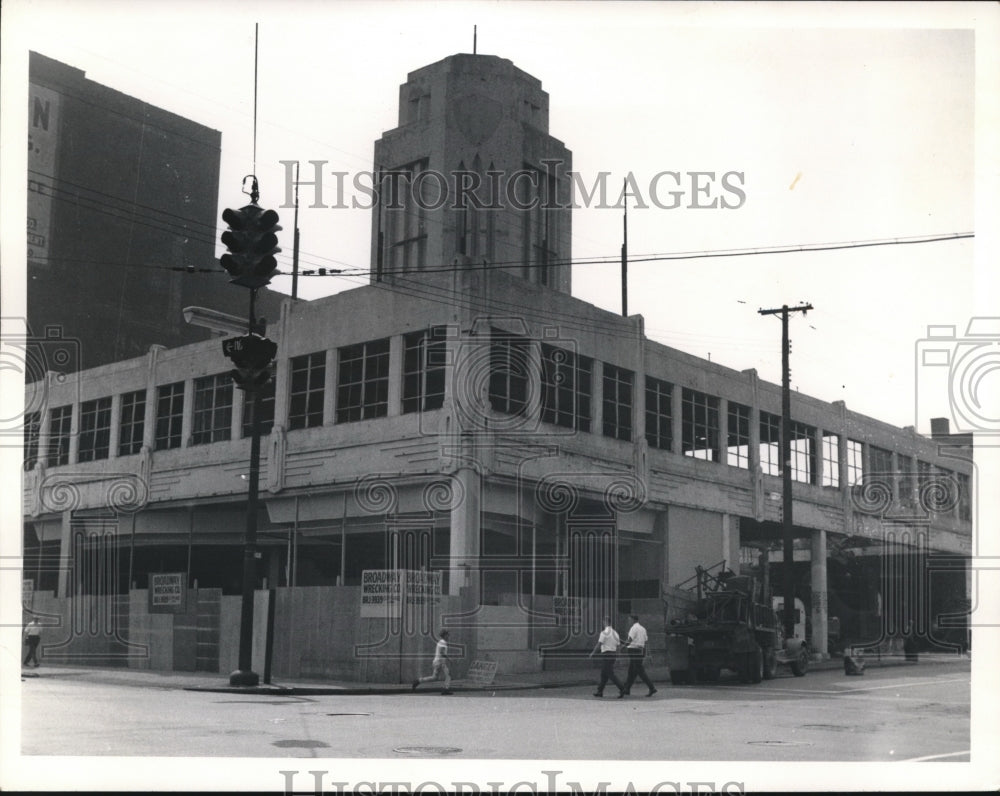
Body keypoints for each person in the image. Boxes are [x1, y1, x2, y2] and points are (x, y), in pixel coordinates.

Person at [589, 616, 626, 698]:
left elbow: (599, 644)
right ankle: (600, 691)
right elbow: (618, 646)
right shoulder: (616, 633)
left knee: (609, 673)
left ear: (605, 622)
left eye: (603, 622)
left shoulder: (604, 633)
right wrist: (618, 657)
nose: (603, 623)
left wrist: (593, 653)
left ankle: (622, 688)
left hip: (606, 654)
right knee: (604, 673)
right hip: (613, 654)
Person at [622, 613, 657, 697]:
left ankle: (652, 688)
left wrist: (623, 646)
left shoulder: (633, 628)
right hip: (641, 650)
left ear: (633, 620)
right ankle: (627, 688)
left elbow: (630, 639)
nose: (628, 621)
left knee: (639, 670)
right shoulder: (643, 629)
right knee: (631, 670)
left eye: (629, 620)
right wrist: (649, 654)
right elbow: (646, 642)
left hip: (634, 650)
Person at [412, 629, 452, 694]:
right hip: (440, 662)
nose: (448, 636)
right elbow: (442, 652)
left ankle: (418, 681)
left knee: (434, 677)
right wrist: (449, 659)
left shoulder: (440, 642)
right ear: (444, 635)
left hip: (437, 662)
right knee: (448, 675)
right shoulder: (443, 642)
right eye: (447, 635)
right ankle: (446, 689)